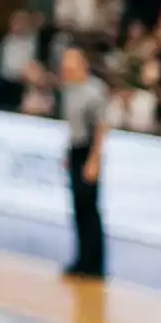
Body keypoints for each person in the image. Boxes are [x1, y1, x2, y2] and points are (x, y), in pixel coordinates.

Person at [59, 44, 109, 278]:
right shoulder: (69, 89)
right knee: (78, 207)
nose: (66, 68)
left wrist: (95, 160)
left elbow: (101, 127)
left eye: (71, 63)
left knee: (89, 207)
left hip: (89, 149)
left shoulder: (94, 90)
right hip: (76, 149)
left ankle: (95, 262)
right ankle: (81, 259)